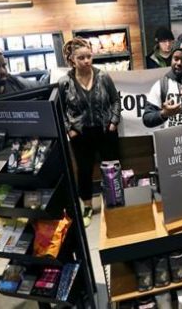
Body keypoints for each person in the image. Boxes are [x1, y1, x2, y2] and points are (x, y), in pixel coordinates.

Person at [58, 38, 121, 227]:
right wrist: (69, 129)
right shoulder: (64, 82)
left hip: (105, 130)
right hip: (81, 134)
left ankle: (115, 201)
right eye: (81, 58)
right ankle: (86, 206)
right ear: (72, 60)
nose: (86, 61)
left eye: (89, 57)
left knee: (111, 167)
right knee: (84, 171)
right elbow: (59, 109)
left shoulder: (103, 76)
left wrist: (114, 121)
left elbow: (115, 100)